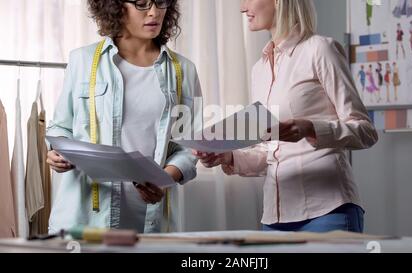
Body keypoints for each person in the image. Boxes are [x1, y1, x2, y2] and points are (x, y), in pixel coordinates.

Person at [194, 0, 378, 233]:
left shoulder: (320, 49)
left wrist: (310, 128)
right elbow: (270, 152)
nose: (242, 8)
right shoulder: (258, 70)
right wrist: (227, 156)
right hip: (274, 219)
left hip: (328, 211)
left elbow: (365, 130)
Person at [46, 0, 202, 233]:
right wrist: (56, 153)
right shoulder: (82, 60)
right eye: (141, 4)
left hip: (153, 224)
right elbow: (61, 127)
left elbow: (189, 147)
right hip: (85, 219)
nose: (154, 12)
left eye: (161, 2)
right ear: (115, 6)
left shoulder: (184, 71)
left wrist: (163, 179)